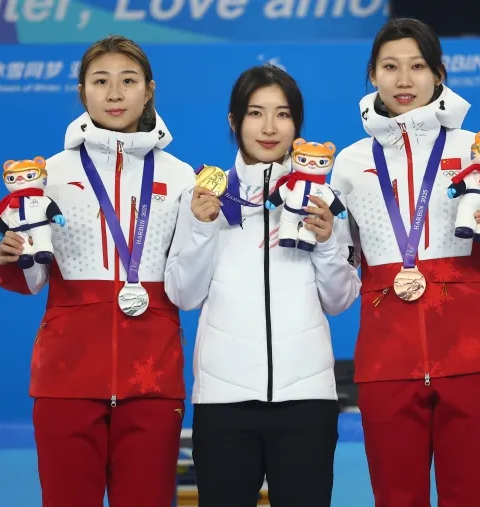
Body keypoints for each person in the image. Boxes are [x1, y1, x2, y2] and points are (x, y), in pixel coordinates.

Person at [330, 18, 480, 507]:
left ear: (438, 73)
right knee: (396, 499)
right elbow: (339, 259)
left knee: (471, 497)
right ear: (372, 75)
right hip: (387, 360)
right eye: (390, 67)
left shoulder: (474, 150)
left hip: (471, 355)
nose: (404, 80)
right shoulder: (349, 162)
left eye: (417, 66)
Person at [0, 35, 196, 507]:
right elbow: (33, 278)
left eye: (128, 81)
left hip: (153, 378)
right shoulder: (48, 174)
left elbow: (190, 276)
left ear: (149, 90)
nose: (114, 93)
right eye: (100, 81)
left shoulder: (182, 175)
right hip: (66, 377)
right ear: (82, 91)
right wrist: (12, 256)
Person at [164, 65, 361, 507]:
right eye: (256, 113)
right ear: (234, 122)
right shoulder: (202, 197)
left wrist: (328, 242)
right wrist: (200, 227)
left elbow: (341, 299)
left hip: (307, 402)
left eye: (283, 114)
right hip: (223, 403)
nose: (270, 128)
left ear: (297, 124)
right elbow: (183, 294)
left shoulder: (324, 199)